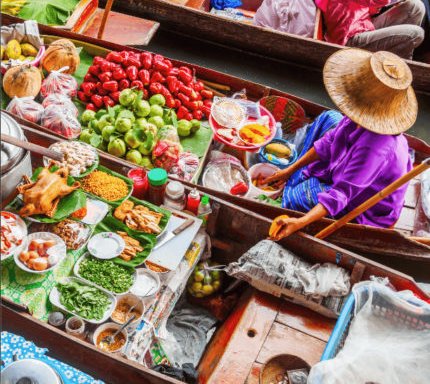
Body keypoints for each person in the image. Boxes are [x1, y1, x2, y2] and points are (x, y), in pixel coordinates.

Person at [264, 48, 417, 240]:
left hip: (361, 203)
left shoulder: (375, 147)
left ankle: (297, 187)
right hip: (355, 169)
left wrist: (299, 222)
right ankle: (297, 176)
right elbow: (328, 143)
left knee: (295, 200)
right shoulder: (360, 117)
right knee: (330, 117)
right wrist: (289, 169)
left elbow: (342, 194)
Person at [316, 0, 426, 59]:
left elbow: (370, 8)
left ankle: (400, 63)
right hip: (348, 42)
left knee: (416, 6)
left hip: (365, 27)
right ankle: (400, 69)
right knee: (415, 34)